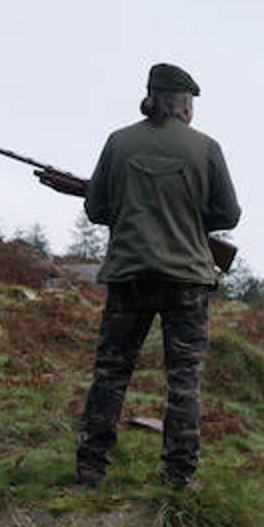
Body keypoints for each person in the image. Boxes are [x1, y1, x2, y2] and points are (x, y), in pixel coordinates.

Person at [73, 62, 241, 489]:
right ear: (184, 106)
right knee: (184, 379)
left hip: (129, 275)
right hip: (186, 282)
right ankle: (178, 476)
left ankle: (91, 469)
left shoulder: (118, 142)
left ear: (152, 98)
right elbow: (229, 215)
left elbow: (95, 209)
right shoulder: (206, 148)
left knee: (111, 372)